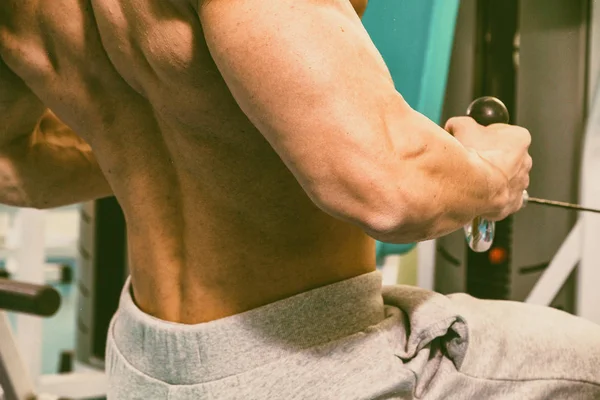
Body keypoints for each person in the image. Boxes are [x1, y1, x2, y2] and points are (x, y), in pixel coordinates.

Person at [0, 0, 598, 398]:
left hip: (146, 360)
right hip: (318, 362)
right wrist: (493, 174)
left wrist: (179, 151)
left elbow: (14, 167)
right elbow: (386, 190)